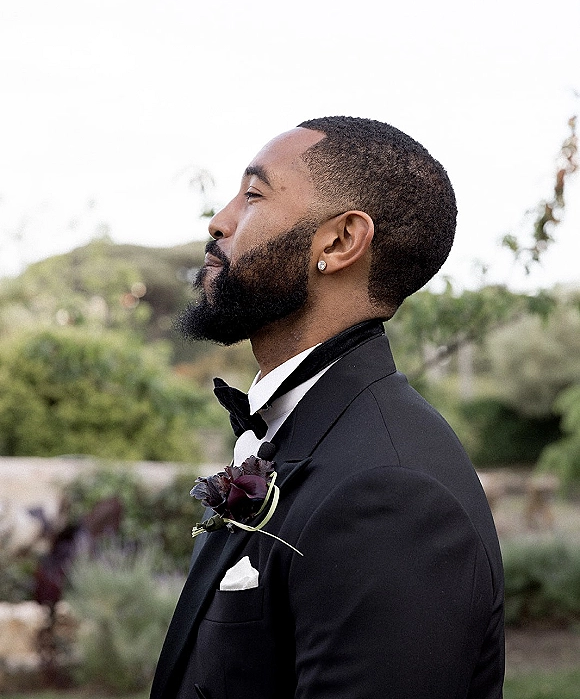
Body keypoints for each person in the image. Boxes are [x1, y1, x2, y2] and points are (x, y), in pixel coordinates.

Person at [151, 116, 504, 699]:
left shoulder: (391, 495)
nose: (219, 221)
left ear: (340, 242)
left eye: (253, 195)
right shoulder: (304, 434)